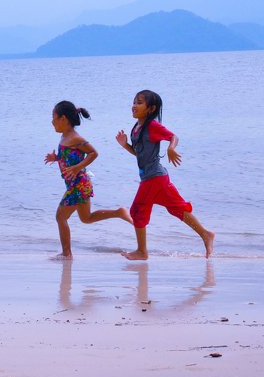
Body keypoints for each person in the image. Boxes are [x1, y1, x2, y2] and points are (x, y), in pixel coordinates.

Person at [115, 89, 214, 260]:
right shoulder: (136, 128)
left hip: (154, 178)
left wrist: (170, 148)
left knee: (137, 211)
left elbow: (173, 136)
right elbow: (139, 153)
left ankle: (142, 251)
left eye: (139, 103)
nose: (134, 106)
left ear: (151, 108)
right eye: (134, 102)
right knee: (176, 209)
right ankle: (205, 234)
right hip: (156, 178)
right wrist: (125, 145)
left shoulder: (153, 126)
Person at [44, 100, 133, 260]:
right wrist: (57, 158)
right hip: (79, 184)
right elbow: (70, 156)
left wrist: (78, 167)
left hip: (78, 185)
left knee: (60, 217)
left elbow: (93, 153)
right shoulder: (66, 137)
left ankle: (67, 254)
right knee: (86, 218)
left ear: (63, 119)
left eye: (54, 117)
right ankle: (119, 212)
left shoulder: (75, 137)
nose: (52, 121)